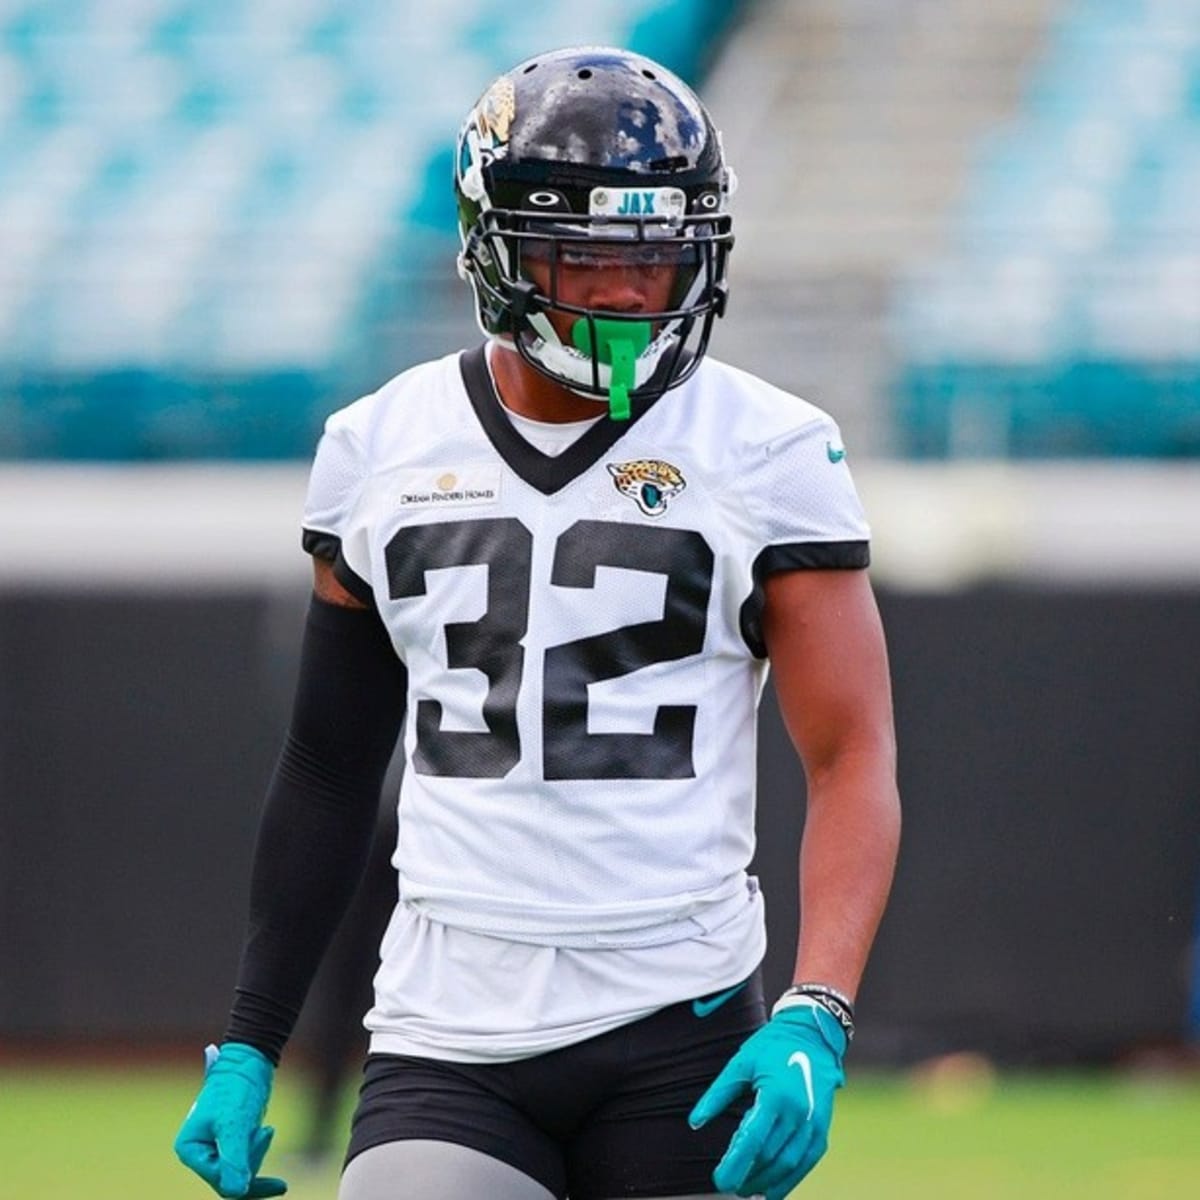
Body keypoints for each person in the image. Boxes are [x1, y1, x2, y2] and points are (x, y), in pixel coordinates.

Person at [174, 45, 900, 1200]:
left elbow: (849, 753)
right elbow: (327, 764)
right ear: (496, 251)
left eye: (654, 258)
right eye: (584, 254)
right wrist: (252, 1039)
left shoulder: (768, 448)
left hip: (685, 1024)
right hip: (447, 1028)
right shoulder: (380, 445)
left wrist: (819, 1009)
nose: (623, 293)